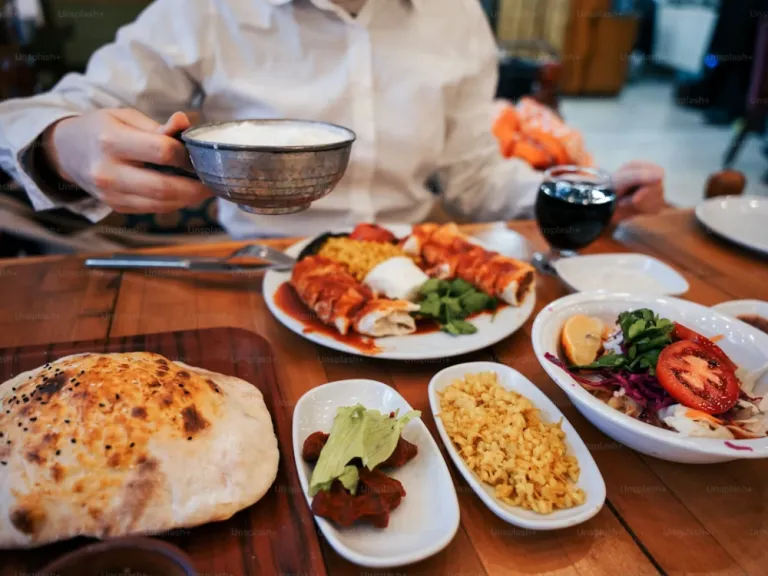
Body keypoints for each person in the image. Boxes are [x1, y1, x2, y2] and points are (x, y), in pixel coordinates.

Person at [0, 0, 666, 238]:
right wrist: (63, 143)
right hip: (259, 266)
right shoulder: (206, 9)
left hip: (414, 269)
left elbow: (475, 179)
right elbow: (28, 114)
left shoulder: (457, 14)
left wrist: (587, 194)